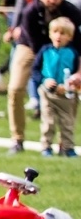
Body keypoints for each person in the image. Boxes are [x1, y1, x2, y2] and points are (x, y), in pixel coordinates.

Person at [8, 0, 81, 153]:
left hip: (64, 49)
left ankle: (65, 142)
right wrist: (46, 78)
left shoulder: (71, 11)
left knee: (72, 89)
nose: (52, 0)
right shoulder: (30, 12)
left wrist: (77, 73)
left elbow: (79, 46)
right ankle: (17, 139)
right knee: (15, 88)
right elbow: (39, 51)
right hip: (31, 47)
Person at [36, 18, 77, 158]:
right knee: (48, 121)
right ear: (50, 34)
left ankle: (68, 148)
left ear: (70, 37)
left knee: (67, 123)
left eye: (63, 33)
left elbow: (76, 72)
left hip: (65, 94)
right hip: (47, 93)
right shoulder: (45, 51)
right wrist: (44, 80)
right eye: (55, 32)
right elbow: (35, 70)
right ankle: (46, 147)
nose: (59, 36)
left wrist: (71, 83)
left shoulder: (73, 53)